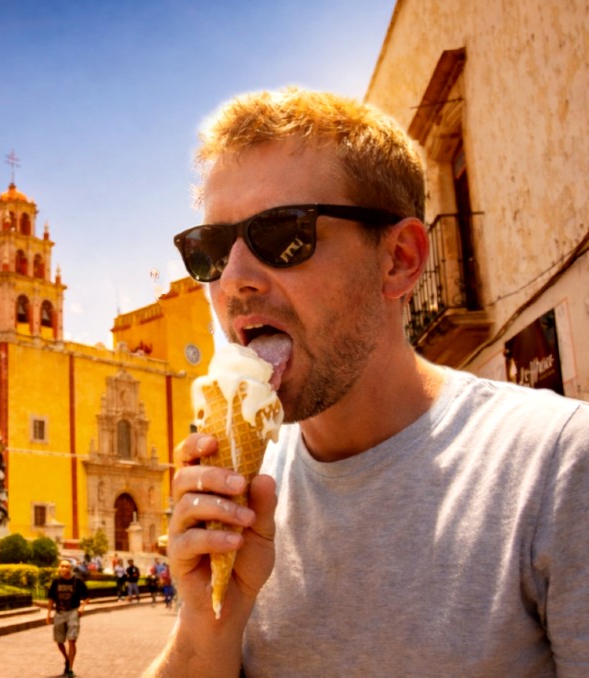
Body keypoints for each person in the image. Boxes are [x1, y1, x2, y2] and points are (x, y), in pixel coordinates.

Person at [145, 87, 589, 676]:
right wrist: (207, 624)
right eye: (211, 249)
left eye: (283, 235)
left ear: (399, 259)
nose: (233, 281)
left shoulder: (558, 467)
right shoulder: (243, 496)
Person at [46, 559, 89, 678]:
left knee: (71, 639)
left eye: (66, 566)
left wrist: (82, 607)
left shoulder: (77, 581)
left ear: (70, 568)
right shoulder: (56, 582)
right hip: (59, 612)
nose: (64, 568)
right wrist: (48, 614)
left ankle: (70, 669)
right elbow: (51, 598)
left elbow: (86, 597)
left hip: (73, 612)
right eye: (62, 566)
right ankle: (67, 659)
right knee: (59, 641)